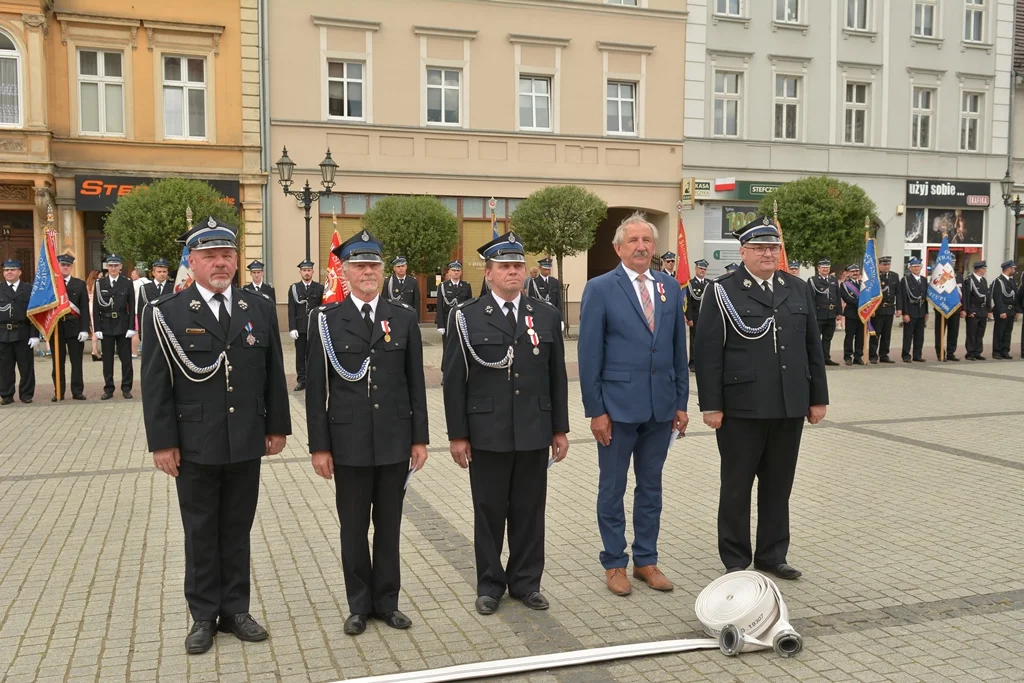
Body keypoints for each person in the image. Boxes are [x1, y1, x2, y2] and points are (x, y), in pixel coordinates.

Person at [141, 216, 291, 655]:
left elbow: (271, 377)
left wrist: (276, 426)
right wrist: (162, 442)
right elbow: (155, 385)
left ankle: (236, 610)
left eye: (227, 255)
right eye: (210, 256)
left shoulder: (257, 308)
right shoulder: (167, 314)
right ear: (192, 261)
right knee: (201, 531)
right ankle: (203, 616)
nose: (221, 263)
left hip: (245, 439)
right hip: (195, 443)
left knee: (237, 528)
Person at [306, 230, 429, 636]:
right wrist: (320, 447)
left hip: (394, 440)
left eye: (374, 264)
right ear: (345, 271)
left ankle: (387, 602)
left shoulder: (404, 318)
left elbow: (416, 385)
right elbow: (317, 390)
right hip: (349, 442)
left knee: (390, 527)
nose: (368, 272)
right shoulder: (326, 320)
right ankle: (359, 605)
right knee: (354, 528)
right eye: (360, 265)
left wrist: (419, 439)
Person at [693, 215, 828, 579]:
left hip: (789, 403)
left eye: (773, 247)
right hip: (742, 407)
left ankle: (772, 555)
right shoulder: (723, 290)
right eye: (760, 248)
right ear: (744, 251)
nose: (768, 253)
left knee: (779, 484)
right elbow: (708, 353)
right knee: (736, 485)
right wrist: (711, 405)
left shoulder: (797, 288)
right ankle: (736, 559)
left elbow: (812, 346)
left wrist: (818, 398)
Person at [442, 231, 569, 615]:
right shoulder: (465, 316)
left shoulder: (545, 314)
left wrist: (559, 428)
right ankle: (490, 584)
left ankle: (527, 582)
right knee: (489, 511)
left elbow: (556, 376)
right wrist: (458, 435)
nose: (513, 272)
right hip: (487, 432)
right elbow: (453, 381)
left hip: (533, 429)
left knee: (530, 511)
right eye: (505, 267)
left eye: (518, 266)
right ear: (490, 273)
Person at [577, 213, 689, 597]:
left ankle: (646, 560)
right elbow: (589, 353)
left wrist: (681, 403)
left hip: (660, 408)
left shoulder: (669, 288)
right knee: (612, 488)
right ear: (618, 247)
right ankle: (613, 562)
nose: (641, 246)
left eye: (647, 240)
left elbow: (678, 349)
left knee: (651, 487)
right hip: (617, 408)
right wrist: (596, 410)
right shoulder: (600, 288)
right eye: (634, 240)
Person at [92, 254, 136, 399]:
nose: (113, 268)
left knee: (126, 360)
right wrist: (97, 328)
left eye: (116, 265)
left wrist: (131, 327)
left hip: (122, 324)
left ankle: (126, 388)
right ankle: (109, 389)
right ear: (107, 267)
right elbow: (96, 308)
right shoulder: (99, 283)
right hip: (106, 325)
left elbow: (132, 306)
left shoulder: (127, 283)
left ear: (120, 267)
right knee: (107, 360)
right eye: (110, 265)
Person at [49, 254, 90, 401]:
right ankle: (58, 391)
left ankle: (77, 391)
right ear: (58, 266)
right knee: (57, 362)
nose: (65, 267)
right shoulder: (52, 284)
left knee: (76, 361)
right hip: (57, 327)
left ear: (71, 267)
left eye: (68, 265)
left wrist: (85, 329)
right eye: (62, 265)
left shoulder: (79, 284)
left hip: (74, 327)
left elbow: (84, 308)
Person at [0, 259, 39, 404]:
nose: (9, 272)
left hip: (23, 332)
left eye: (12, 269)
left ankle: (26, 394)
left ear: (19, 272)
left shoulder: (29, 289)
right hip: (3, 333)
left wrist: (35, 334)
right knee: (5, 367)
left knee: (26, 366)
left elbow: (35, 313)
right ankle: (6, 394)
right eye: (6, 270)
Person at [287, 260, 324, 391]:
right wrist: (292, 327)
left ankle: (313, 379)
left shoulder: (319, 288)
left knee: (314, 354)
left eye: (309, 270)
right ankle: (302, 380)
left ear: (313, 272)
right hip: (301, 327)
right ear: (300, 272)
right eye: (304, 270)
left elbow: (322, 307)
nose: (307, 273)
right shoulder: (294, 288)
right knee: (300, 355)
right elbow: (291, 309)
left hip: (314, 327)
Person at [808, 259, 840, 366]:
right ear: (819, 268)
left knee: (828, 338)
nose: (826, 269)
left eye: (827, 267)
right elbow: (811, 299)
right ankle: (815, 358)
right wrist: (813, 314)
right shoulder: (813, 280)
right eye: (823, 267)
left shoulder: (833, 280)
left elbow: (837, 296)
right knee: (816, 338)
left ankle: (826, 357)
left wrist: (839, 312)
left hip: (831, 313)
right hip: (819, 313)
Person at [869, 256, 899, 364]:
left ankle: (884, 355)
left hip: (890, 309)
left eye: (888, 264)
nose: (886, 267)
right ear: (879, 265)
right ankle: (872, 355)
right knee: (875, 334)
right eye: (884, 265)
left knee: (887, 334)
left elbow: (898, 293)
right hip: (878, 310)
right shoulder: (875, 277)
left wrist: (899, 308)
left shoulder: (894, 276)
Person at [899, 257, 929, 363]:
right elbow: (903, 298)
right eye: (914, 266)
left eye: (918, 266)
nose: (916, 268)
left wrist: (926, 312)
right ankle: (906, 355)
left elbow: (925, 298)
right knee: (908, 335)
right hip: (910, 311)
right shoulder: (905, 280)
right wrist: (905, 313)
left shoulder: (924, 280)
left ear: (921, 267)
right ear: (910, 268)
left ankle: (917, 355)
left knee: (919, 336)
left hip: (921, 311)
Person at [137, 258, 172, 346]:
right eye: (159, 271)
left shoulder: (173, 288)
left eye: (164, 271)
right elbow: (141, 311)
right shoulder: (145, 288)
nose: (162, 274)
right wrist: (141, 332)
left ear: (167, 273)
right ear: (153, 273)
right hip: (150, 327)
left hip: (168, 328)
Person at [434, 261, 472, 337]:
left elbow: (469, 306)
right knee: (448, 346)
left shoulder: (466, 286)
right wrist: (440, 325)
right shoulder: (443, 286)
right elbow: (440, 306)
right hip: (447, 321)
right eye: (453, 270)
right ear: (449, 272)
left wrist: (469, 323)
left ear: (461, 272)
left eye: (458, 270)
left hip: (462, 321)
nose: (456, 272)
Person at [685, 259, 710, 371]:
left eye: (704, 269)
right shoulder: (690, 284)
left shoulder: (709, 284)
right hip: (695, 316)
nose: (702, 271)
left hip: (706, 316)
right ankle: (693, 363)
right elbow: (688, 303)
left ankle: (704, 361)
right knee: (694, 340)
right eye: (700, 269)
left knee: (706, 340)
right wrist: (689, 318)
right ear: (696, 269)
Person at [989, 261, 1017, 359]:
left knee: (1007, 332)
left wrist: (1016, 310)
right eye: (1013, 268)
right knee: (999, 331)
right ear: (1009, 269)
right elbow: (997, 297)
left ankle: (1005, 351)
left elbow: (1015, 296)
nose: (1014, 270)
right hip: (1003, 310)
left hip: (1011, 310)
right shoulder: (999, 281)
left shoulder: (1012, 281)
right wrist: (1001, 311)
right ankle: (996, 352)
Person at [962, 261, 989, 361]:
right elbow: (966, 297)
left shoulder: (983, 280)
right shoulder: (969, 280)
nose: (985, 270)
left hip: (982, 310)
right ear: (980, 269)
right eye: (984, 269)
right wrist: (968, 311)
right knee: (972, 333)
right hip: (973, 310)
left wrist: (988, 309)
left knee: (980, 333)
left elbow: (987, 296)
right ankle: (970, 353)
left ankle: (978, 352)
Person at [934, 271, 964, 361]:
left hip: (956, 308)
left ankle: (951, 353)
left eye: (954, 260)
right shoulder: (939, 273)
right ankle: (940, 354)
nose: (953, 262)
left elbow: (963, 293)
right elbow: (936, 290)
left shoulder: (959, 276)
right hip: (942, 308)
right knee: (940, 332)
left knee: (954, 332)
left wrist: (964, 308)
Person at [839, 264, 865, 366]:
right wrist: (861, 304)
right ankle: (847, 356)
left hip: (862, 314)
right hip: (851, 314)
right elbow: (847, 298)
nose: (855, 273)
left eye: (857, 271)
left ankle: (858, 356)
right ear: (848, 273)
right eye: (853, 271)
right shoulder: (845, 285)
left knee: (860, 337)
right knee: (849, 336)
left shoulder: (863, 284)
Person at [131, 266, 151, 358]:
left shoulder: (135, 283)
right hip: (149, 310)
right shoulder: (151, 282)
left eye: (133, 273)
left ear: (138, 274)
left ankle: (134, 353)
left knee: (136, 331)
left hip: (136, 310)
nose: (131, 275)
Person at [86, 270, 101, 362]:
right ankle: (94, 350)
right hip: (95, 306)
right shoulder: (97, 284)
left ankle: (94, 349)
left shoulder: (88, 284)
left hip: (89, 305)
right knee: (97, 328)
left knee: (93, 328)